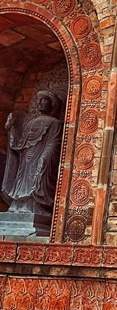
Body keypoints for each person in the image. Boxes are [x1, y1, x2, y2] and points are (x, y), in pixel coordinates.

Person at [2, 90, 63, 218]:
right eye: (38, 100)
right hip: (25, 160)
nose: (40, 103)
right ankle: (17, 206)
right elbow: (19, 144)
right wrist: (11, 129)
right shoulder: (29, 122)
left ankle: (35, 206)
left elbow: (53, 143)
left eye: (44, 100)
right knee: (21, 184)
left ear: (51, 104)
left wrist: (45, 158)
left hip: (40, 158)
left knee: (36, 179)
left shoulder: (55, 123)